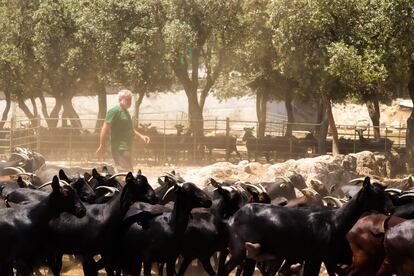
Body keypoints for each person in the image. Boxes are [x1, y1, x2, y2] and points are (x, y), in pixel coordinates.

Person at [95, 89, 150, 172]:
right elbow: (105, 128)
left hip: (127, 147)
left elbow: (130, 129)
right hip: (119, 147)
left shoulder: (126, 112)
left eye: (130, 100)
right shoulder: (114, 111)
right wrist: (102, 145)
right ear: (121, 99)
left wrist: (141, 136)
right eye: (128, 100)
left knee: (128, 171)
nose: (130, 102)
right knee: (125, 172)